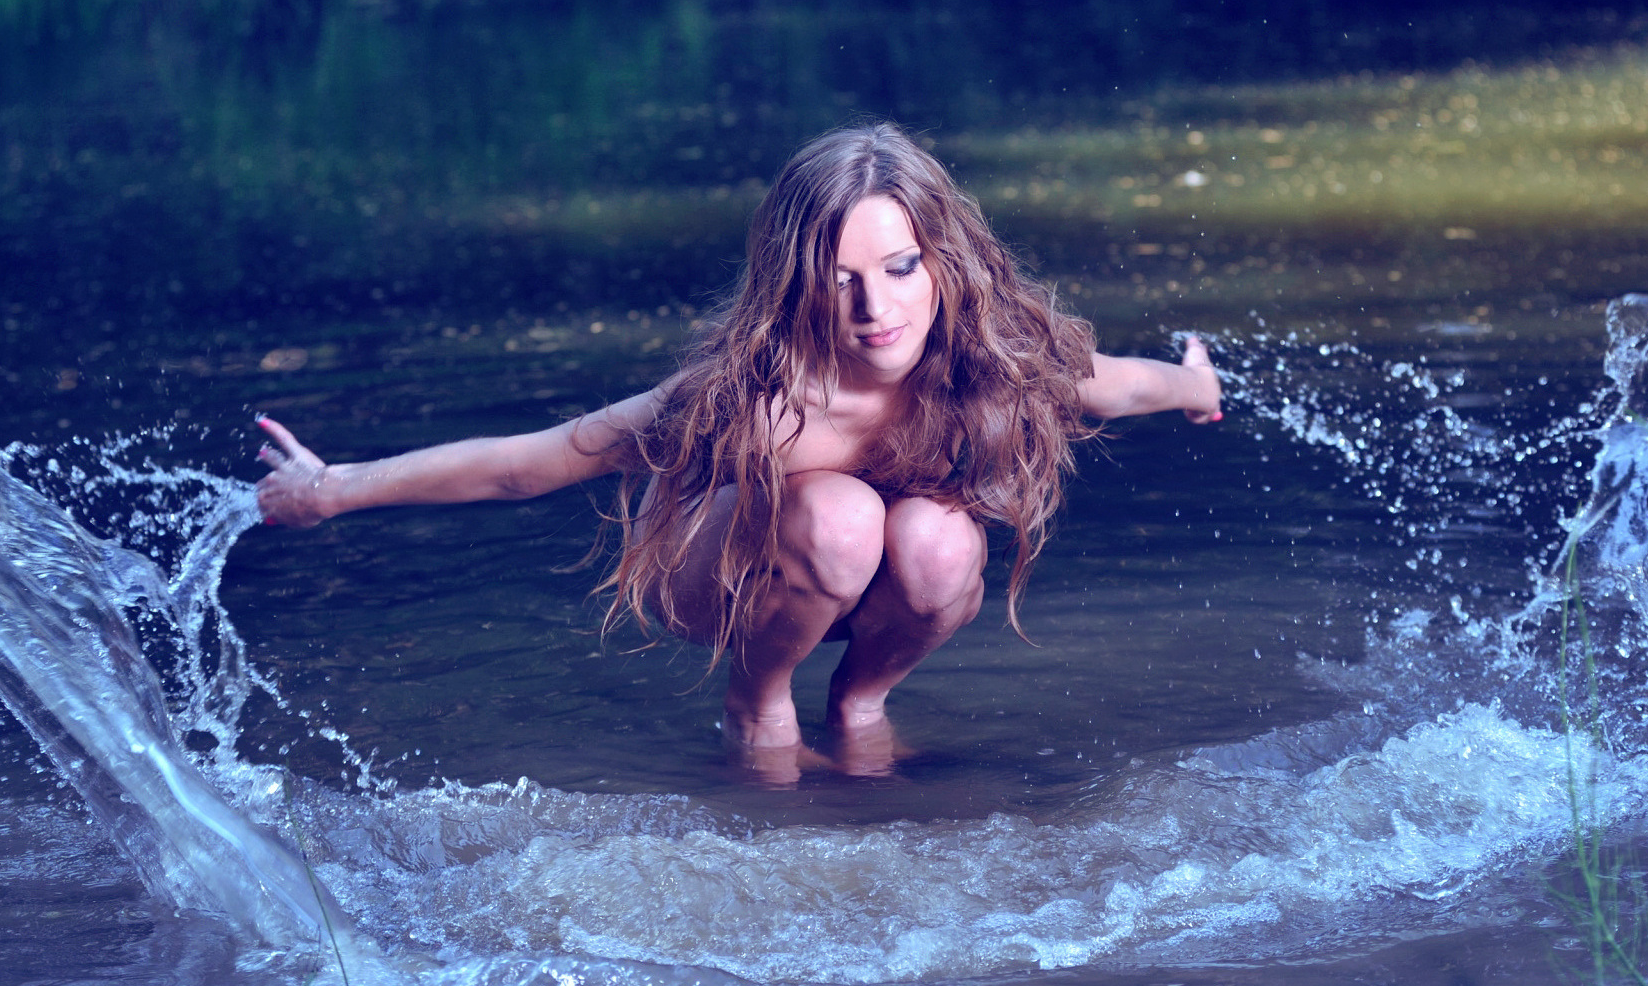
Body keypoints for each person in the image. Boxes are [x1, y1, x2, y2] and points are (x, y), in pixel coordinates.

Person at [256, 123, 1221, 780]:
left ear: (945, 264)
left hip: (858, 581)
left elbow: (1120, 380)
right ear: (797, 283)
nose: (874, 310)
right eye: (839, 279)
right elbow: (534, 461)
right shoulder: (750, 402)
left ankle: (857, 706)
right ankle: (756, 707)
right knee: (841, 516)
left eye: (898, 269)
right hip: (718, 572)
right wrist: (331, 489)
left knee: (943, 543)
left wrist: (1195, 385)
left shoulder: (993, 361)